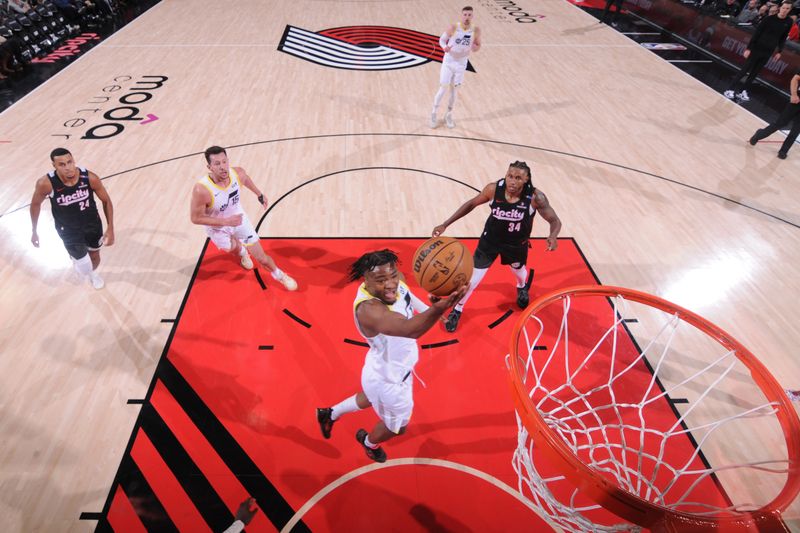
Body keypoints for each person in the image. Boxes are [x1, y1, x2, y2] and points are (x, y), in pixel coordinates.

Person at [316, 250, 465, 463]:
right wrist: (442, 307)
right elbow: (408, 329)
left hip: (381, 368)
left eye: (393, 275)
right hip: (390, 380)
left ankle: (329, 413)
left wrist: (436, 311)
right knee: (397, 427)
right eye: (381, 280)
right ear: (365, 281)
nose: (390, 284)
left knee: (371, 396)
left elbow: (408, 298)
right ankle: (368, 442)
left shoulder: (396, 282)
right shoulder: (369, 310)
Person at [431, 161, 562, 332]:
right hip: (490, 241)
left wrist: (553, 235)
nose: (512, 181)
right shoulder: (493, 189)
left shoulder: (536, 197)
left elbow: (554, 220)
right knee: (472, 280)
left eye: (518, 178)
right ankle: (457, 309)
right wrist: (445, 224)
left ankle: (522, 287)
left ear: (526, 180)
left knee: (519, 270)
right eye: (510, 176)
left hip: (516, 244)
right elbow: (471, 204)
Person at [190, 146, 297, 290]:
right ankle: (242, 253)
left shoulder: (237, 173)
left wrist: (259, 194)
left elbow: (245, 180)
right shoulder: (201, 190)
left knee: (261, 257)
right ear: (209, 167)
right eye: (217, 164)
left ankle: (280, 275)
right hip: (216, 227)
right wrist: (226, 222)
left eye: (224, 162)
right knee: (230, 248)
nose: (223, 167)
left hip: (239, 220)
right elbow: (196, 218)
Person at [30, 148, 114, 289]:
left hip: (92, 225)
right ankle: (80, 262)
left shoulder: (89, 178)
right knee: (83, 266)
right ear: (54, 165)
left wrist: (110, 228)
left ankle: (93, 274)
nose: (68, 167)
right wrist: (34, 231)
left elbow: (107, 201)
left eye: (70, 162)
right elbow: (35, 205)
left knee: (94, 257)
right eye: (62, 164)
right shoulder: (46, 183)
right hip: (68, 230)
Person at [724, 1, 794, 102]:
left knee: (755, 73)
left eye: (787, 9)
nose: (785, 10)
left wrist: (779, 51)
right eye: (784, 8)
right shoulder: (769, 19)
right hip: (757, 48)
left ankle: (743, 91)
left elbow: (783, 37)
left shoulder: (789, 22)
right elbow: (757, 33)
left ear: (790, 10)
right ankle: (729, 89)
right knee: (745, 70)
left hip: (768, 51)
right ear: (780, 8)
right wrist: (749, 48)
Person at [430, 5, 481, 129]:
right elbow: (441, 40)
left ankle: (448, 115)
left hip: (461, 63)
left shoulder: (476, 30)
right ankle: (434, 113)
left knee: (454, 91)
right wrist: (444, 48)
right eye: (465, 14)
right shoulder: (453, 27)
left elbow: (478, 45)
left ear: (472, 16)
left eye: (469, 15)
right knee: (443, 88)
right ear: (461, 15)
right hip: (449, 61)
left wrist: (476, 48)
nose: (467, 17)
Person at [748, 69, 800, 158]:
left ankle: (783, 151)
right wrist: (794, 94)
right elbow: (795, 78)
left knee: (796, 130)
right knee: (780, 124)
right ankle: (759, 134)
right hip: (796, 101)